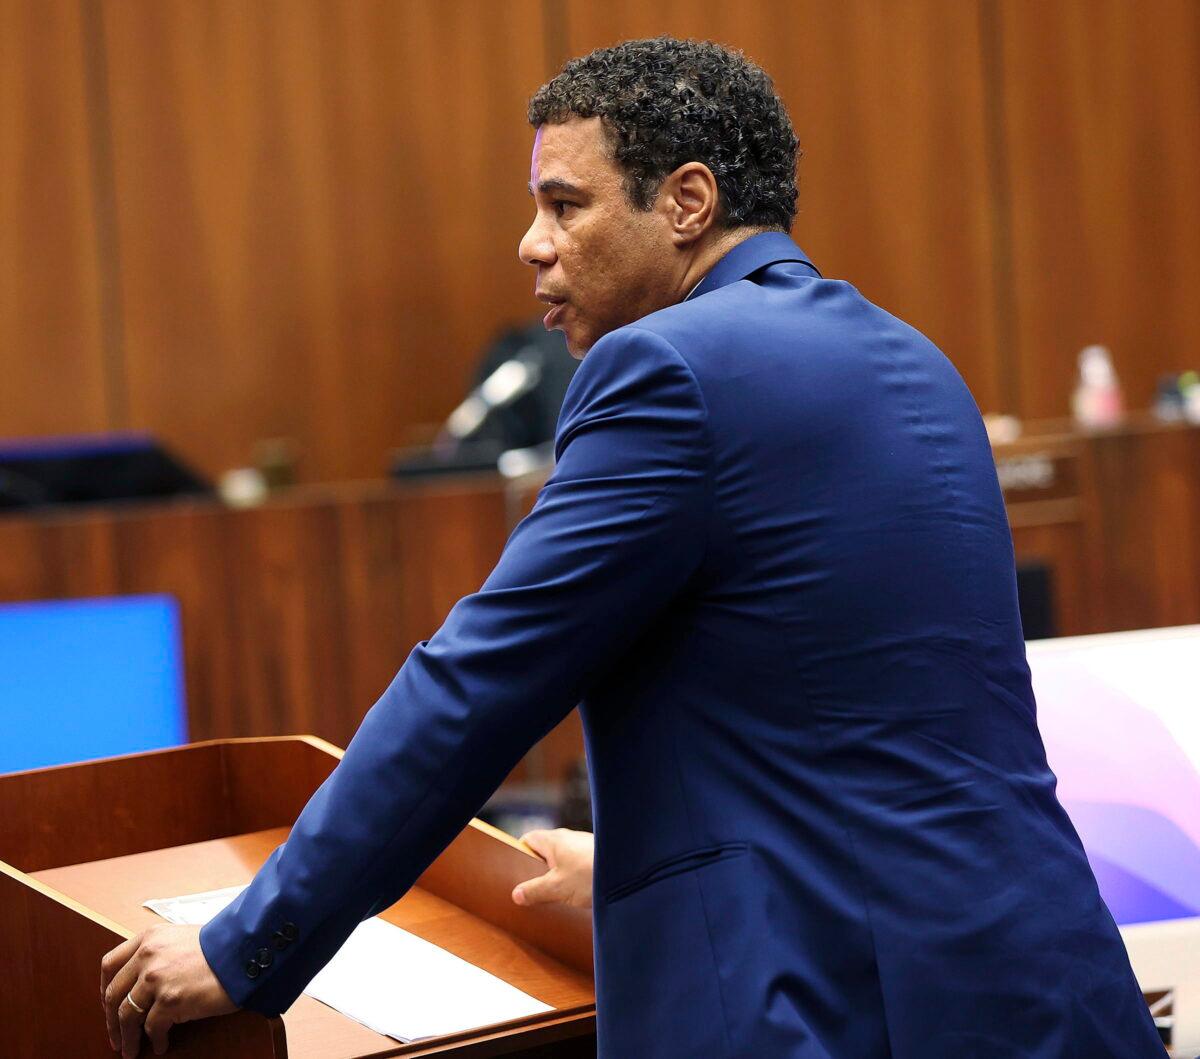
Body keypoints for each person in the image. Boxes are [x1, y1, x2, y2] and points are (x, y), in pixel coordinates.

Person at [101, 37, 1163, 1058]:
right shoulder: (913, 358)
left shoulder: (667, 371)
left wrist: (246, 948)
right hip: (1044, 982)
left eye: (566, 204)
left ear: (687, 204)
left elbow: (474, 688)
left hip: (838, 1009)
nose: (531, 242)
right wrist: (640, 867)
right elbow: (861, 737)